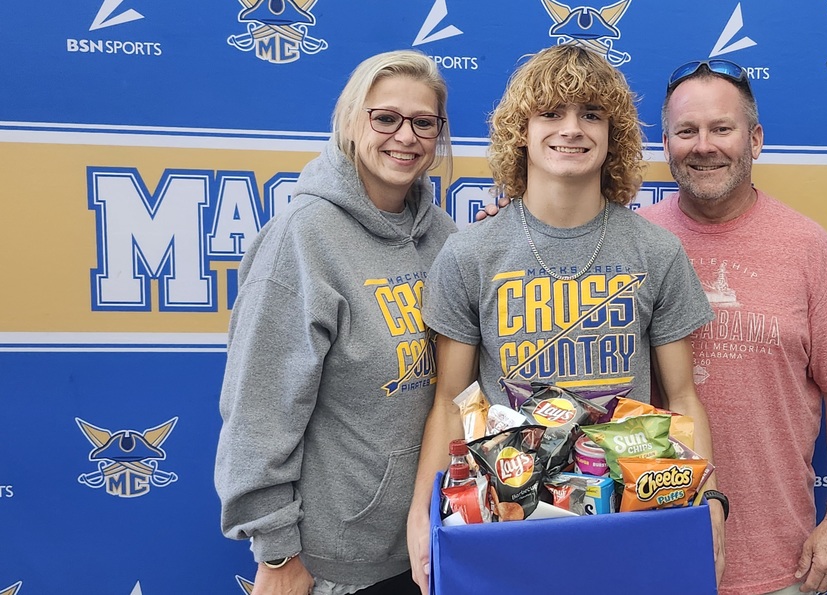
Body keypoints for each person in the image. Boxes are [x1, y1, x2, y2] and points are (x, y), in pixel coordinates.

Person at [407, 44, 725, 594]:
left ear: (613, 135)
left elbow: (683, 398)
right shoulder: (471, 255)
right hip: (507, 525)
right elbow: (450, 404)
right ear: (521, 132)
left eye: (591, 115)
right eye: (551, 113)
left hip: (629, 520)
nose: (572, 129)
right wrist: (422, 515)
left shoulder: (656, 251)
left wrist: (709, 501)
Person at [214, 50, 457, 595]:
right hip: (334, 564)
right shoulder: (302, 239)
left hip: (431, 543)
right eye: (385, 118)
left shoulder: (445, 238)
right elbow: (258, 411)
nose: (406, 136)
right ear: (350, 122)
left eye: (424, 123)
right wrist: (277, 551)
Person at [637, 60, 827, 595]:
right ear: (666, 144)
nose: (704, 146)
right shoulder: (630, 242)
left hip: (779, 562)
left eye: (721, 129)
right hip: (646, 553)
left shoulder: (808, 248)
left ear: (755, 140)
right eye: (686, 131)